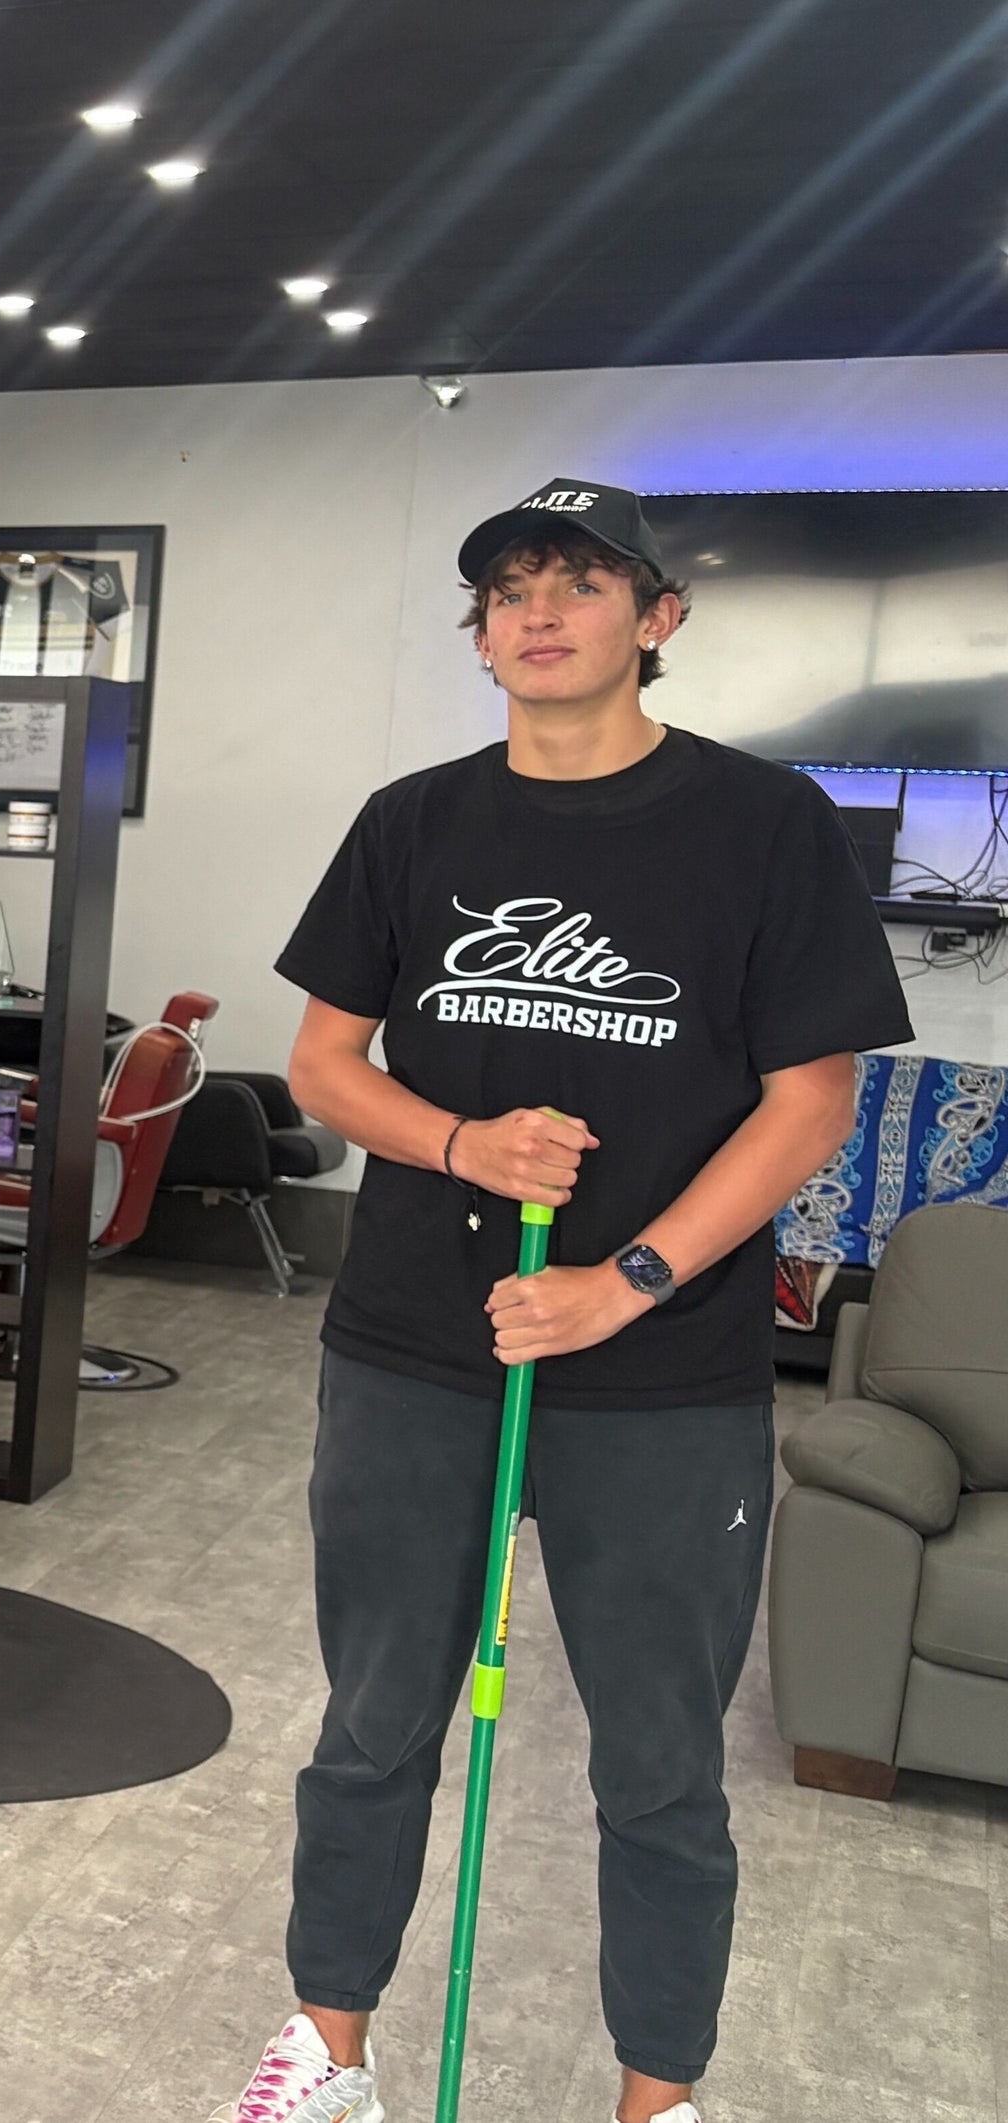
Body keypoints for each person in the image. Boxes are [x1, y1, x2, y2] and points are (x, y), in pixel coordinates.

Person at [223, 479, 909, 2123]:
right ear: (481, 634)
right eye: (509, 590)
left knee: (661, 1762)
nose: (540, 611)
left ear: (656, 618)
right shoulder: (413, 820)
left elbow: (811, 1099)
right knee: (374, 1720)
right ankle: (328, 2053)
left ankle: (660, 2099)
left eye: (583, 583)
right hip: (411, 1347)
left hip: (664, 1374)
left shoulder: (764, 825)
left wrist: (630, 1280)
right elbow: (327, 1062)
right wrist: (462, 1136)